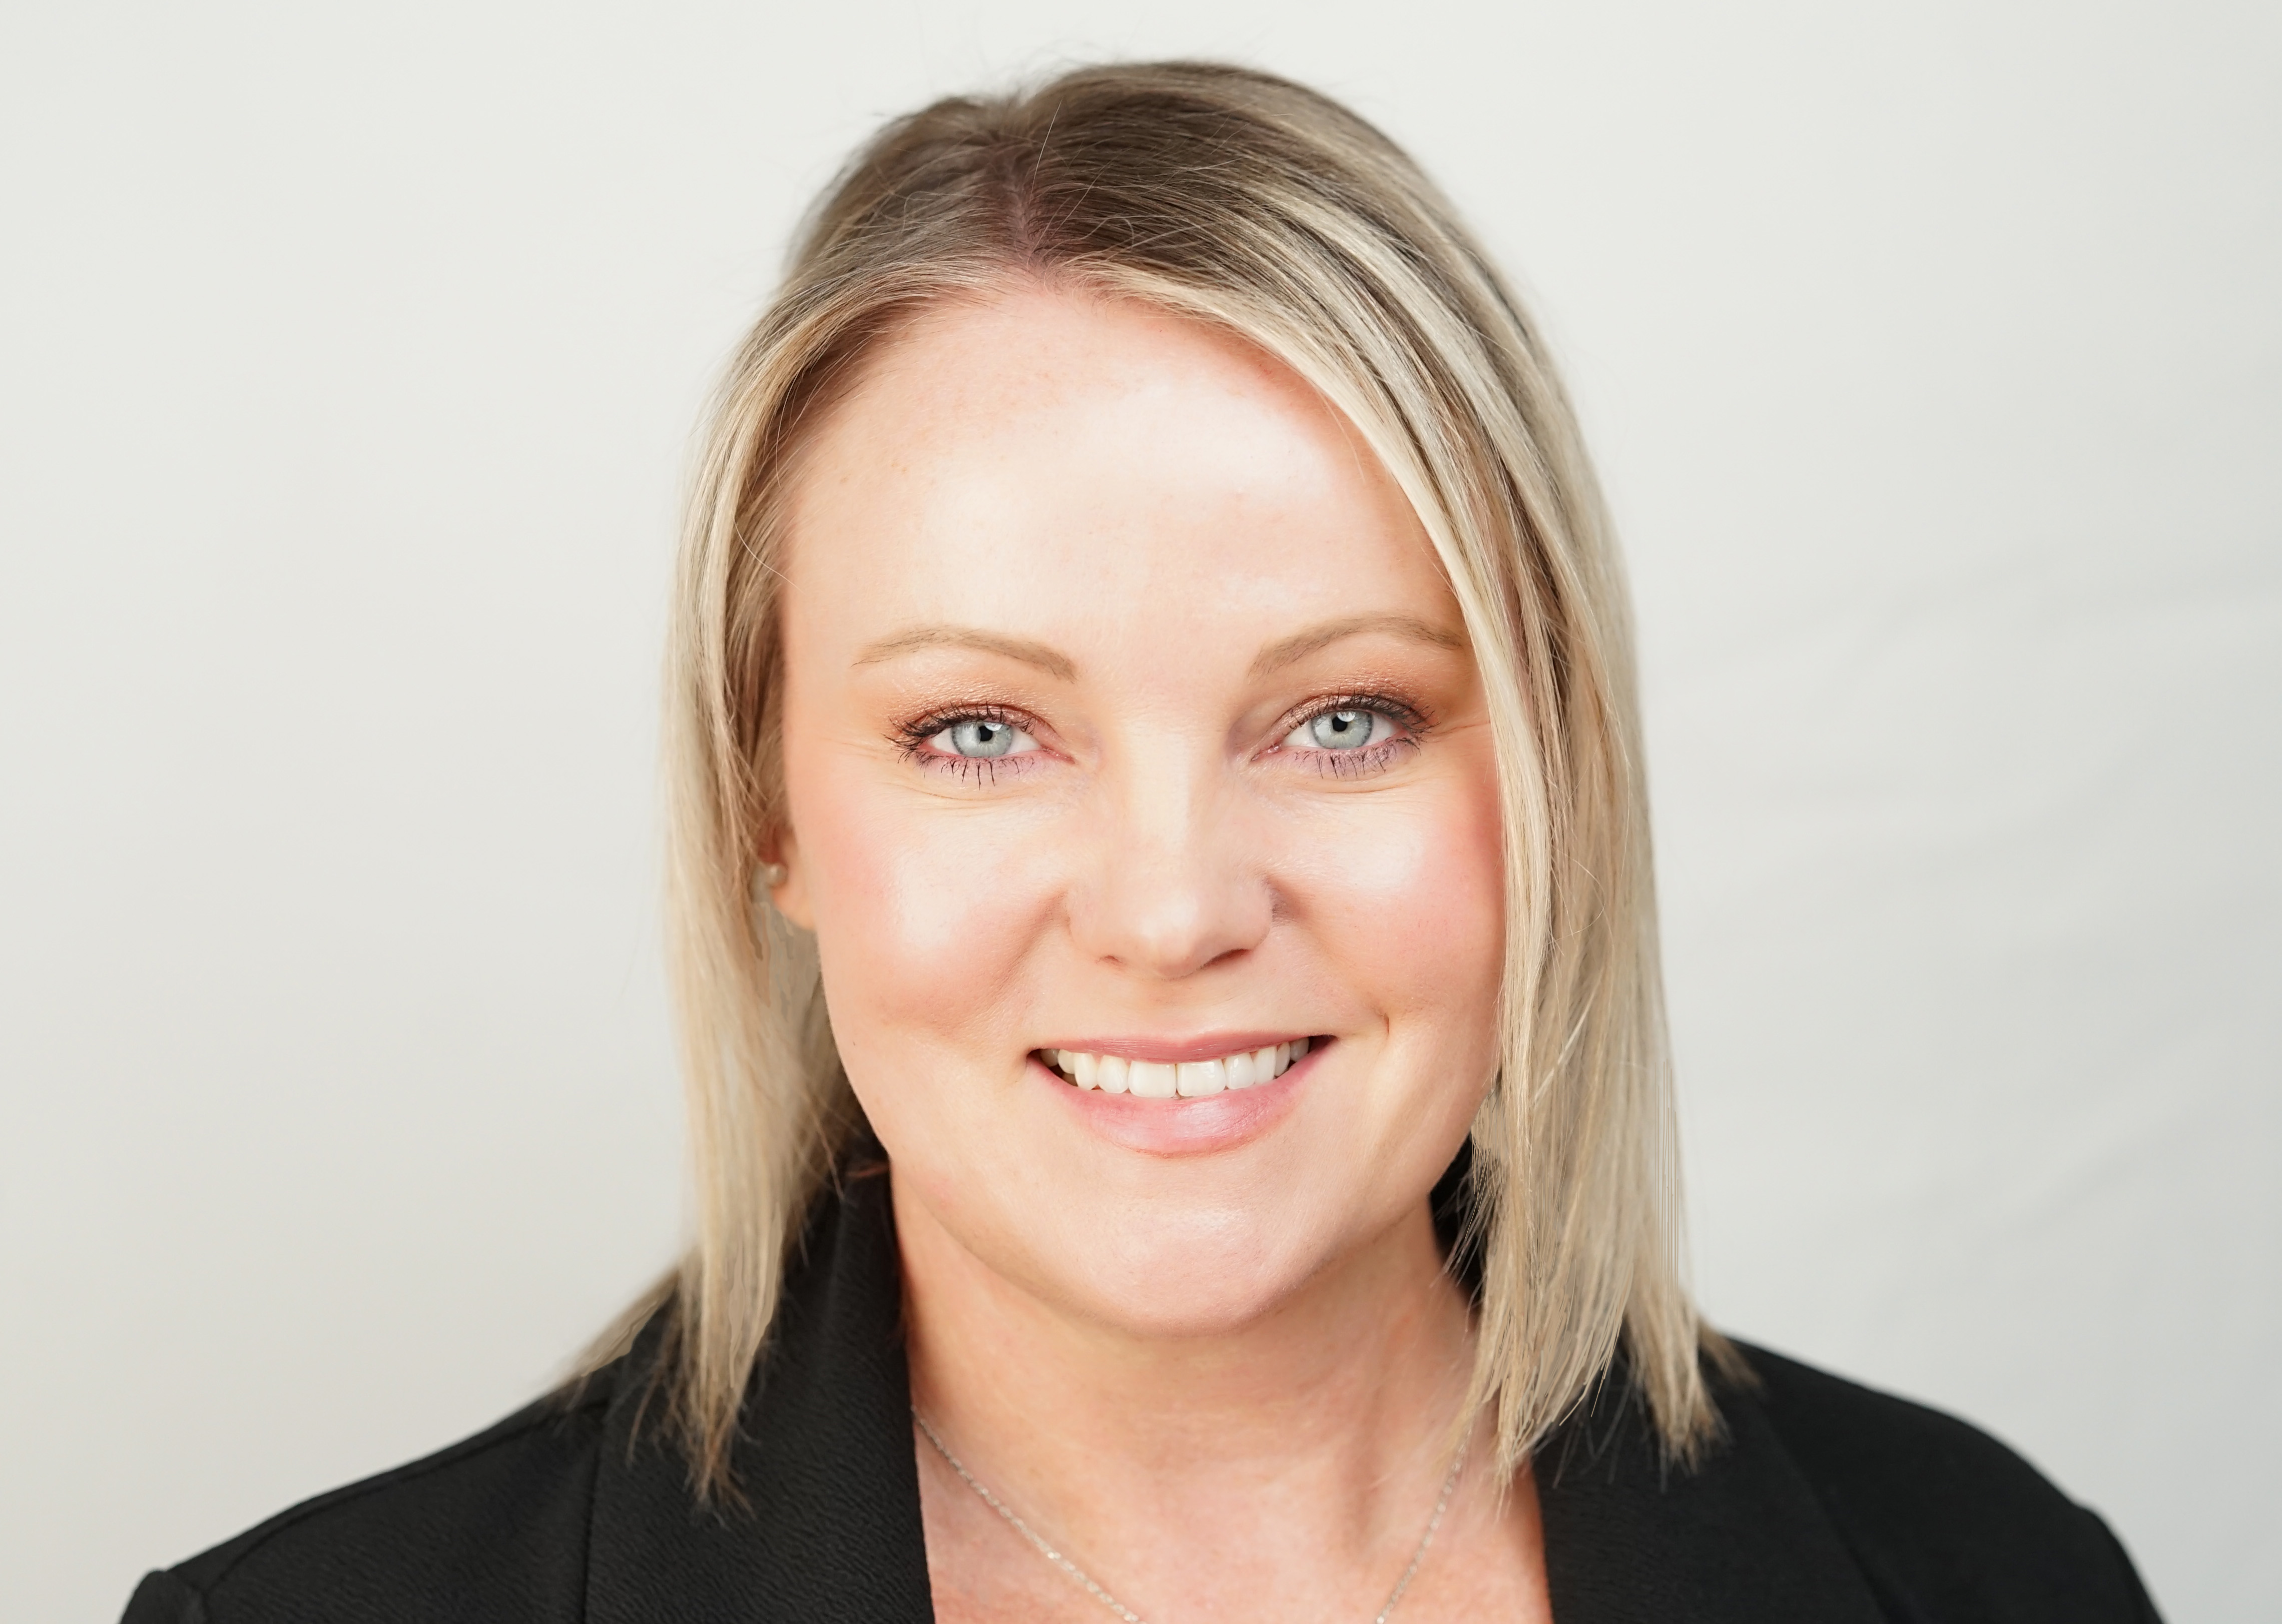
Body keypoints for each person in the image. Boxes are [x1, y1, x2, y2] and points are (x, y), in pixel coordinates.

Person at [122, 61, 2161, 1623]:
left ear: (1557, 776)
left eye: (1347, 716)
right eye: (980, 730)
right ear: (770, 813)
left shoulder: (1984, 1572)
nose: (1176, 905)